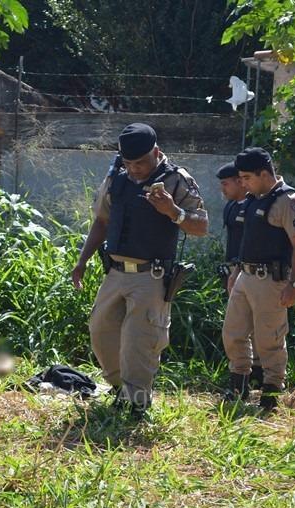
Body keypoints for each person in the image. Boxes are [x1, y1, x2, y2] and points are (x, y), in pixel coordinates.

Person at [71, 123, 209, 418]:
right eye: (129, 163)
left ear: (156, 153)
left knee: (139, 340)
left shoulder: (176, 180)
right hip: (116, 272)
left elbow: (201, 226)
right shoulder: (116, 178)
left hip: (152, 276)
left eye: (141, 163)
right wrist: (82, 261)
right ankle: (121, 388)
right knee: (101, 330)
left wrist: (174, 212)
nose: (134, 169)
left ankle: (138, 403)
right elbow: (101, 221)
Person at [222, 147, 295, 412]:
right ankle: (239, 384)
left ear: (264, 173)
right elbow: (247, 240)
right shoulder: (252, 199)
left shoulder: (287, 200)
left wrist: (293, 284)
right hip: (245, 276)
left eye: (247, 177)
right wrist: (237, 270)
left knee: (269, 338)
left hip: (271, 280)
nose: (243, 183)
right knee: (233, 332)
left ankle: (271, 392)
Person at [217, 162, 262, 388]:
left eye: (226, 183)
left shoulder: (254, 205)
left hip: (252, 272)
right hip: (235, 271)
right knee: (238, 324)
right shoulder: (231, 206)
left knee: (256, 324)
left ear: (239, 181)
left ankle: (260, 372)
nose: (222, 189)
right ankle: (243, 372)